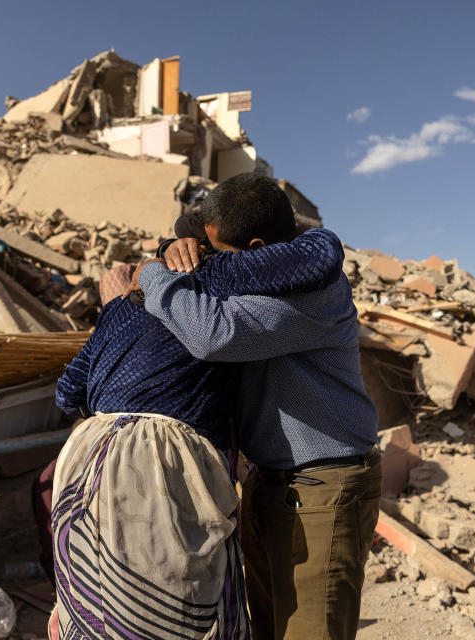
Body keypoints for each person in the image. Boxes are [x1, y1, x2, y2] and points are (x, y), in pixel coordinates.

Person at [47, 206, 344, 640]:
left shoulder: (123, 307)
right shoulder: (219, 286)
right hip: (162, 467)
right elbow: (320, 255)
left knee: (100, 597)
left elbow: (66, 393)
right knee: (178, 593)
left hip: (87, 460)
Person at [137, 173, 382, 640]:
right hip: (274, 482)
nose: (212, 265)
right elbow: (195, 230)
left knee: (310, 632)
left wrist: (152, 275)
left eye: (220, 254)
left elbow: (212, 333)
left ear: (254, 248)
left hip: (323, 488)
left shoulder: (312, 289)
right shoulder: (266, 269)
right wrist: (177, 244)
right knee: (269, 625)